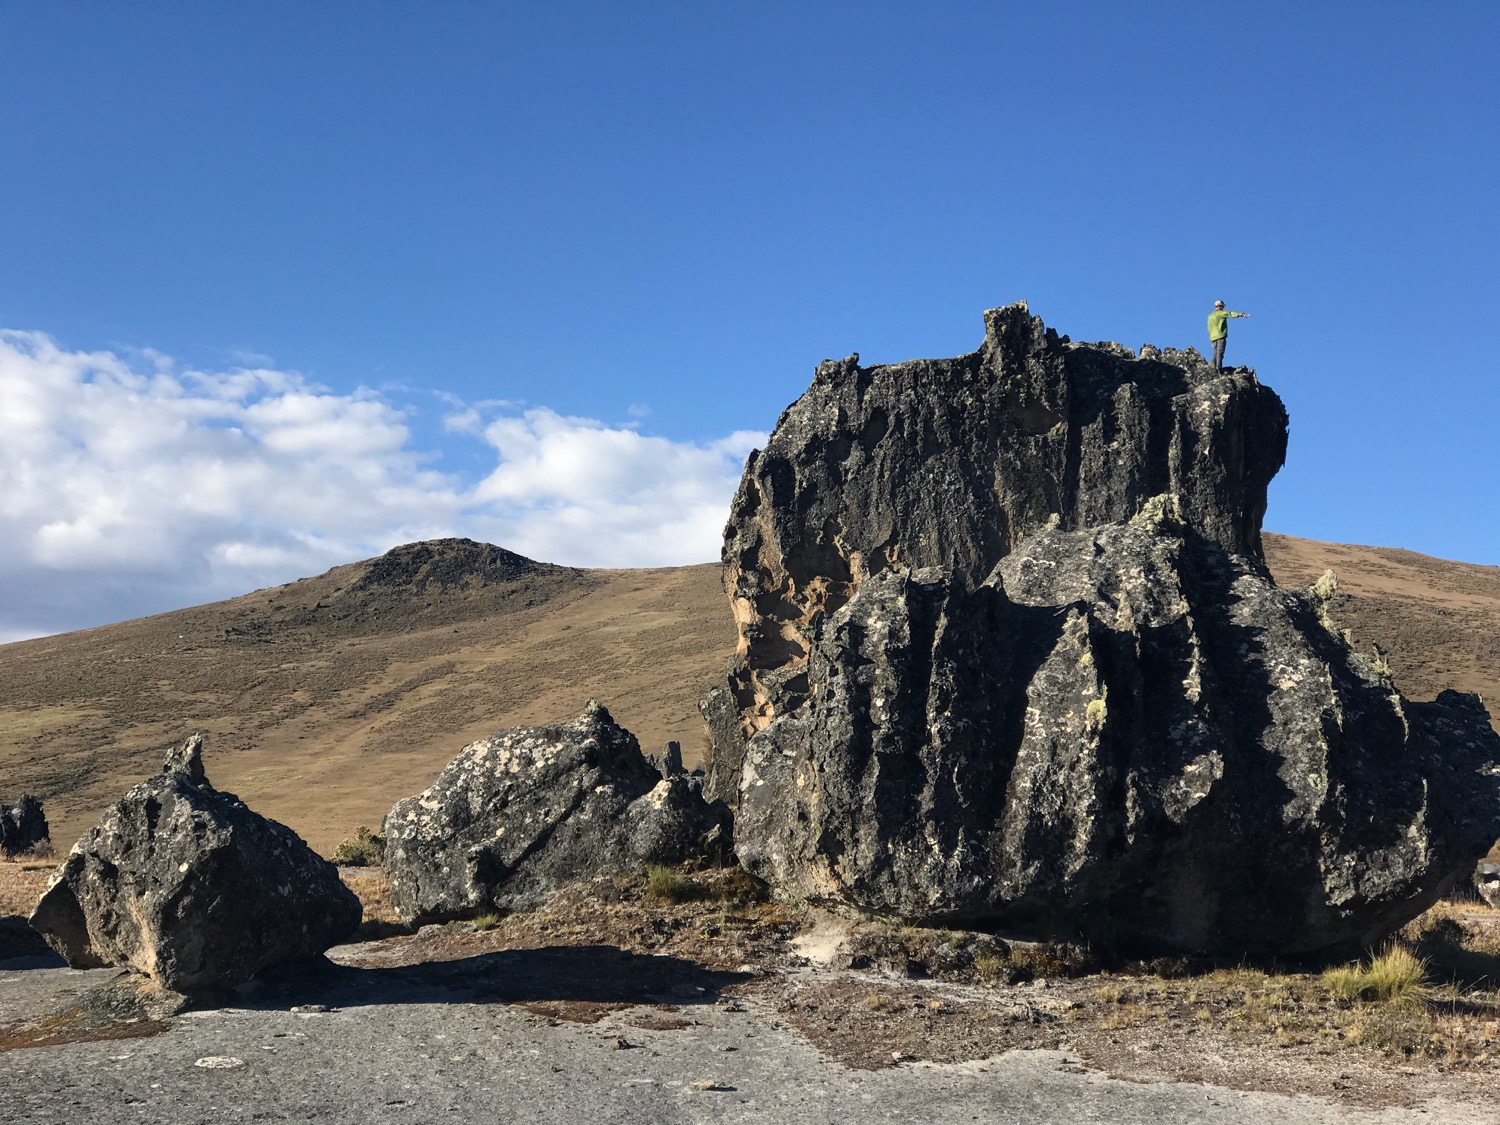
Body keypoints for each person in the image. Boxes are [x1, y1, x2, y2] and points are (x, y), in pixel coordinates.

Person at [1207, 300, 1249, 370]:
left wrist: (1210, 338)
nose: (1223, 307)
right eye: (1223, 306)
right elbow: (1230, 313)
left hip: (1213, 337)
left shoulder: (1210, 316)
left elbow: (1209, 327)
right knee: (1220, 353)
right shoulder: (1221, 313)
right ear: (1220, 306)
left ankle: (1210, 367)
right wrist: (1241, 314)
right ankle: (1218, 369)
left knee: (1215, 353)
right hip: (1220, 336)